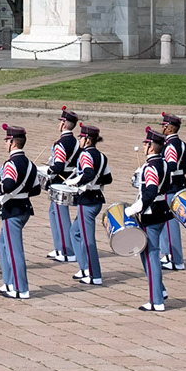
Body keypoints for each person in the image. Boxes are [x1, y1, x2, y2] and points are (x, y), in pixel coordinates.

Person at [0, 123, 37, 300]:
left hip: (13, 210)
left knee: (14, 249)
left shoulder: (11, 163)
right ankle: (9, 282)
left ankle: (20, 288)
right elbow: (36, 189)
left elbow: (8, 185)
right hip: (24, 207)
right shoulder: (30, 164)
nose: (5, 144)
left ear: (12, 143)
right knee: (3, 242)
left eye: (6, 140)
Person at [132, 124, 174, 311]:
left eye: (145, 144)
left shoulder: (150, 167)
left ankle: (156, 301)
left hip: (150, 213)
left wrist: (136, 207)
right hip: (162, 211)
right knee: (150, 253)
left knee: (151, 255)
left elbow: (150, 192)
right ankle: (160, 290)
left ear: (150, 147)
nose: (144, 147)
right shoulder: (164, 163)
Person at [69, 122, 110, 286]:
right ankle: (85, 267)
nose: (78, 139)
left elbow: (88, 173)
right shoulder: (101, 156)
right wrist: (95, 183)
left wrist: (76, 181)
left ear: (87, 139)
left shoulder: (85, 155)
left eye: (80, 136)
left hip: (87, 200)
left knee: (88, 240)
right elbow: (108, 178)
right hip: (95, 198)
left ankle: (95, 274)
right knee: (74, 232)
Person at [42, 107, 81, 263]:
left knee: (60, 215)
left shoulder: (61, 143)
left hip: (60, 181)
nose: (59, 124)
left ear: (64, 124)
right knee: (53, 212)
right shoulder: (76, 141)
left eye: (61, 121)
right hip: (69, 178)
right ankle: (59, 247)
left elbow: (58, 166)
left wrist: (45, 170)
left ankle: (67, 250)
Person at [157, 112, 186, 270]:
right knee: (165, 222)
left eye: (164, 126)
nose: (162, 128)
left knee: (170, 223)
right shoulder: (183, 144)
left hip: (171, 186)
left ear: (169, 128)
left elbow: (170, 166)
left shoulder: (170, 146)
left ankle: (175, 259)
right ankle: (168, 254)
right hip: (180, 183)